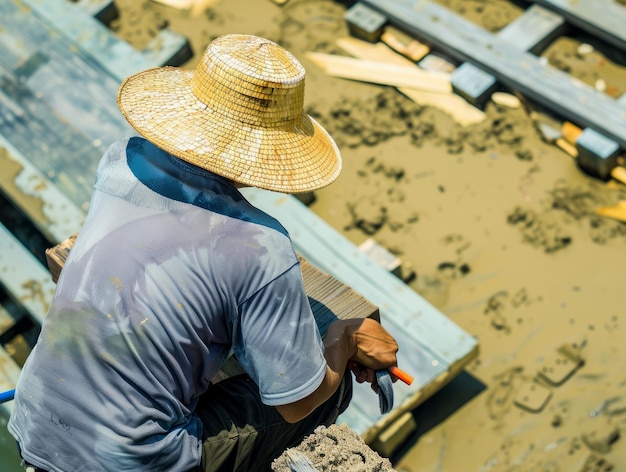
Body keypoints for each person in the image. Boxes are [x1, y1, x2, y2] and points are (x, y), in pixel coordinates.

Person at [8, 34, 399, 471]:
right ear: (275, 146)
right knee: (329, 387)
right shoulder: (262, 247)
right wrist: (342, 340)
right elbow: (296, 400)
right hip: (132, 463)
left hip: (34, 424)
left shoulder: (122, 159)